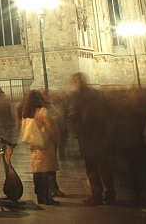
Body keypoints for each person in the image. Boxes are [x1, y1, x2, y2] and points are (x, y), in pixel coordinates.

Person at [69, 72, 116, 206]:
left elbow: (73, 116)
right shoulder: (97, 94)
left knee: (92, 168)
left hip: (87, 137)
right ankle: (111, 194)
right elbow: (109, 112)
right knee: (105, 166)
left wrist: (77, 127)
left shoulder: (77, 96)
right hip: (100, 136)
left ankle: (97, 195)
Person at [20, 89, 59, 206]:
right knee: (46, 172)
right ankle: (48, 197)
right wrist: (54, 139)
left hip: (33, 146)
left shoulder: (26, 113)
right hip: (45, 145)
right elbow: (50, 128)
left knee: (37, 172)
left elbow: (24, 129)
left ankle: (40, 197)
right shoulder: (43, 111)